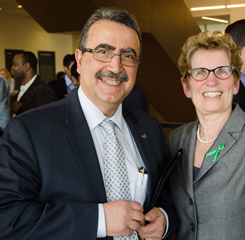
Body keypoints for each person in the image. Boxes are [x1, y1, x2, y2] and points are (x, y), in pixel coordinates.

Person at [0, 7, 178, 240]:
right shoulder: (29, 131)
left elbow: (167, 193)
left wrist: (164, 218)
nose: (116, 67)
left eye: (128, 55)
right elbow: (7, 218)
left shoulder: (150, 128)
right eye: (103, 51)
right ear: (80, 59)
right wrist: (99, 219)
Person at [169, 30, 245, 239]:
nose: (211, 81)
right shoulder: (177, 139)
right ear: (186, 86)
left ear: (235, 83)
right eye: (200, 72)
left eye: (222, 71)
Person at [10, 51, 58, 115]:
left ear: (26, 66)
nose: (12, 67)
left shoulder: (42, 89)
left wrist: (21, 109)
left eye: (15, 64)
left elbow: (49, 115)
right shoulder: (24, 87)